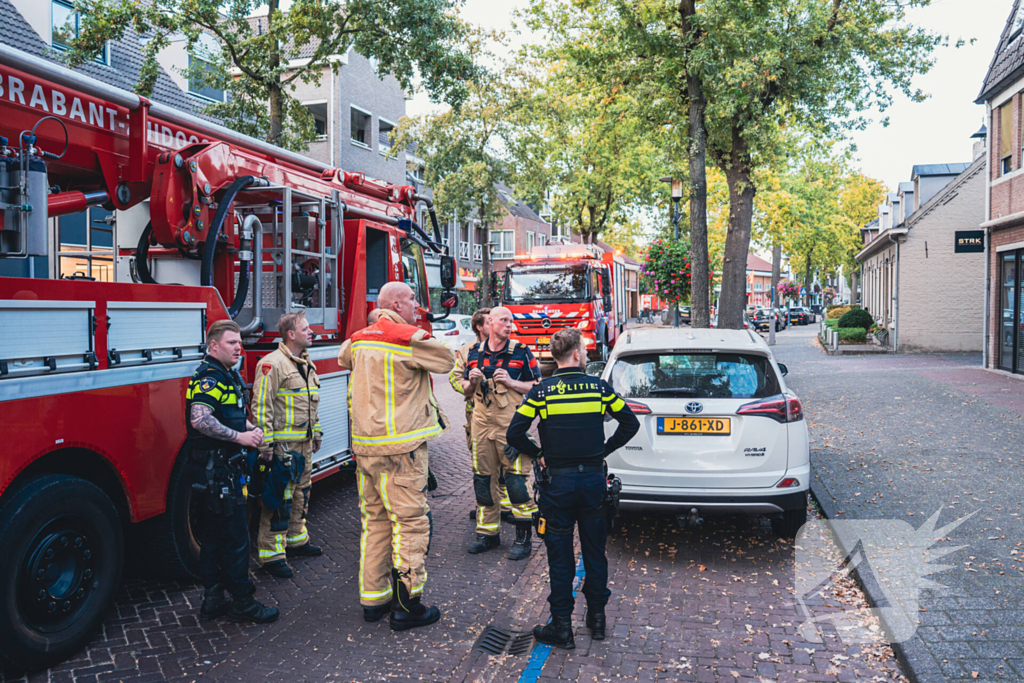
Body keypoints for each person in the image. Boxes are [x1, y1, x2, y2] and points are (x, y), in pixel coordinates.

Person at [506, 328, 639, 648]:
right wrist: (604, 450)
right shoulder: (599, 388)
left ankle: (562, 627)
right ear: (577, 354)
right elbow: (630, 423)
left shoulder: (541, 392)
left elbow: (514, 433)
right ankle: (597, 620)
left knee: (560, 557)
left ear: (556, 356)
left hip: (558, 485)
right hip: (593, 483)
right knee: (595, 554)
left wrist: (539, 454)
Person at [338, 281, 456, 630]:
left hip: (365, 448)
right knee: (410, 524)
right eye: (412, 299)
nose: (417, 306)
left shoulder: (358, 339)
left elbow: (343, 356)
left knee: (374, 522)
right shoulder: (407, 337)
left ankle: (374, 600)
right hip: (402, 449)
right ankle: (407, 606)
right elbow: (446, 360)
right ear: (395, 305)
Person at [186, 319, 279, 623]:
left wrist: (252, 430)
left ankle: (213, 600)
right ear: (213, 346)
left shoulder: (227, 374)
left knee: (214, 538)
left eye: (239, 342)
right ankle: (243, 602)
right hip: (218, 473)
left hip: (218, 471)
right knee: (236, 539)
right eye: (231, 343)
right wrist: (241, 438)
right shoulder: (211, 377)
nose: (238, 348)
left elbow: (230, 415)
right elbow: (200, 419)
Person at [460, 307, 540, 560]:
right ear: (490, 322)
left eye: (511, 321)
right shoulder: (474, 352)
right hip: (481, 426)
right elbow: (465, 389)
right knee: (483, 481)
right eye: (504, 320)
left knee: (516, 482)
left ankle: (523, 538)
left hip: (510, 427)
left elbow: (537, 387)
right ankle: (488, 534)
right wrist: (471, 382)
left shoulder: (521, 351)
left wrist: (511, 382)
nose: (509, 325)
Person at [251, 311, 323, 579]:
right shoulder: (272, 364)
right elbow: (262, 406)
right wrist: (266, 445)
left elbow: (311, 405)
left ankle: (296, 541)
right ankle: (272, 556)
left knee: (301, 494)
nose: (311, 332)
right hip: (283, 447)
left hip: (303, 444)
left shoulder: (305, 363)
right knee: (279, 500)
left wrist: (316, 433)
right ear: (291, 334)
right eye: (305, 329)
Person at [449, 308, 514, 522]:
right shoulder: (467, 351)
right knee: (483, 466)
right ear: (479, 327)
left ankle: (505, 506)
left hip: (504, 415)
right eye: (489, 322)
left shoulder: (512, 349)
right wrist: (468, 387)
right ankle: (487, 507)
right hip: (477, 415)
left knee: (506, 462)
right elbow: (455, 378)